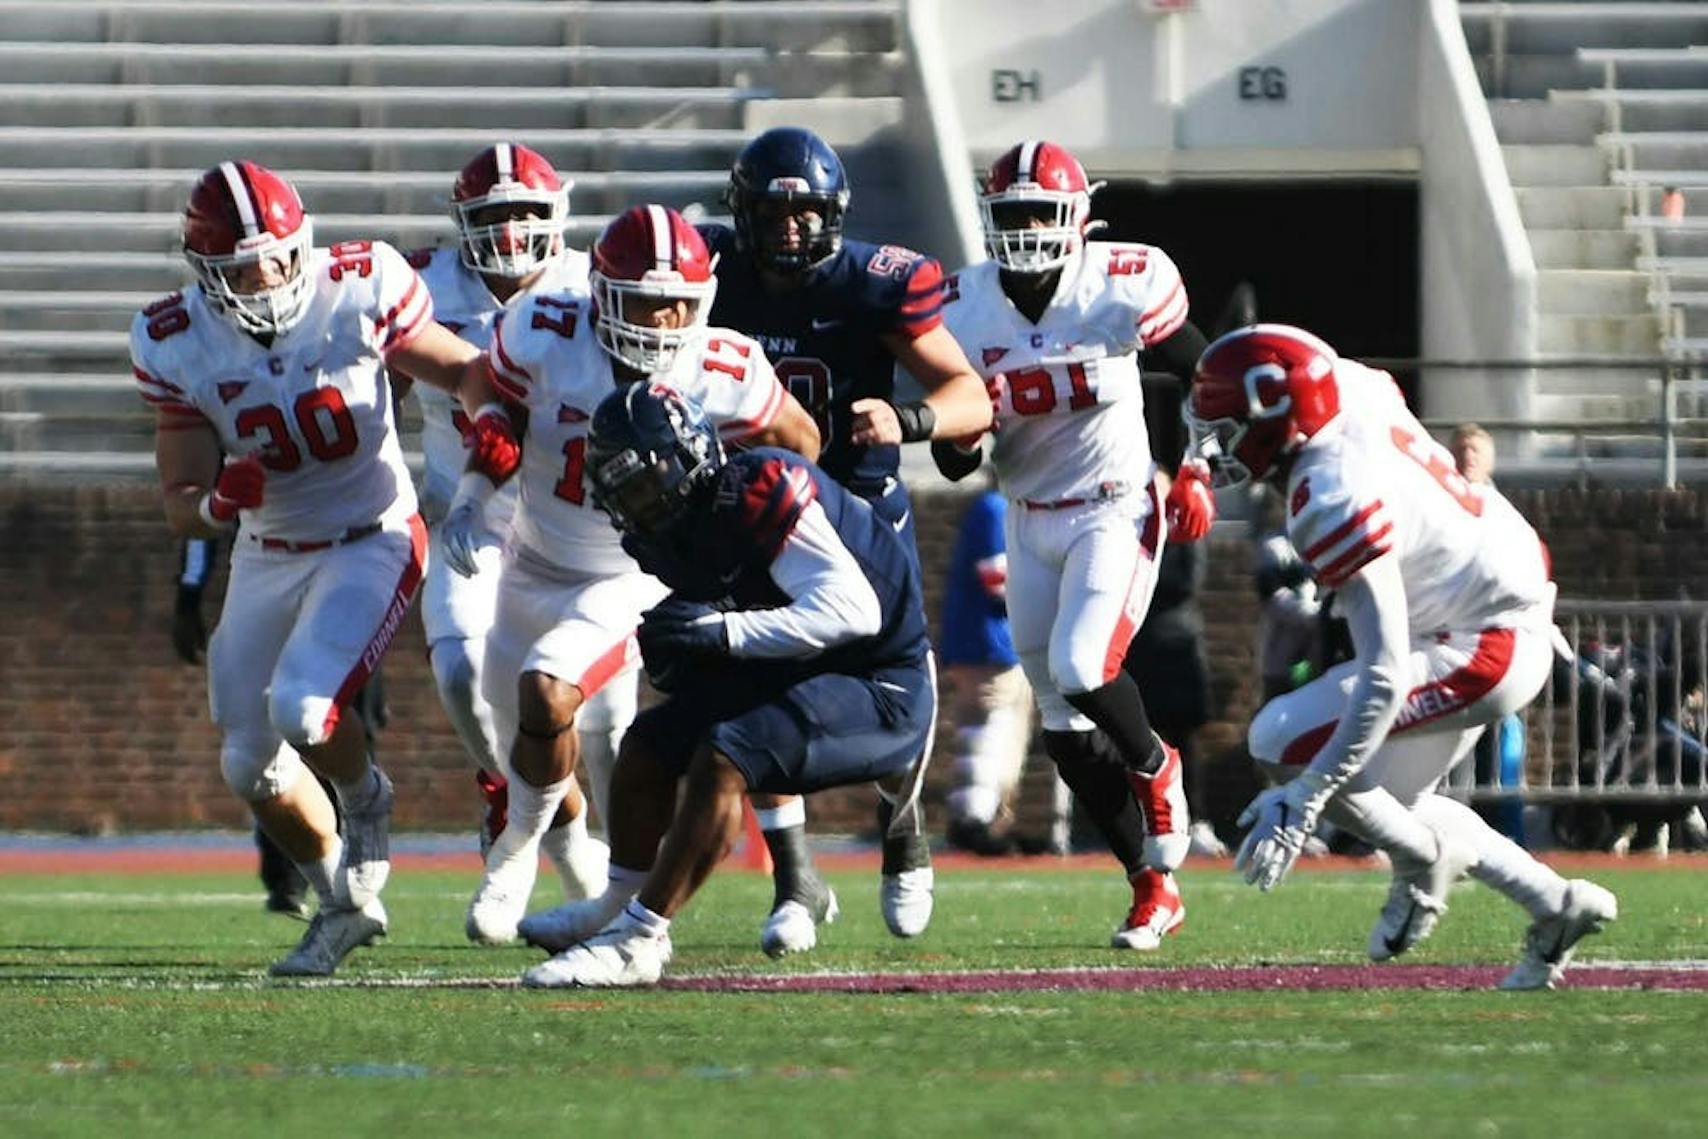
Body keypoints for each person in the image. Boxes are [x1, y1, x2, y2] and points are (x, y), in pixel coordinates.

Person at [133, 160, 484, 975]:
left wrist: (492, 432)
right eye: (243, 269)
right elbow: (180, 500)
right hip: (267, 551)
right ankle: (341, 905)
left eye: (279, 258)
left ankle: (366, 800)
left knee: (303, 706)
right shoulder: (175, 339)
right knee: (246, 761)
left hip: (371, 535)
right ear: (206, 273)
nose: (267, 280)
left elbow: (465, 370)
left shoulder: (360, 285)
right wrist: (216, 503)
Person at [1191, 323, 1617, 990]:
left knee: (1280, 739)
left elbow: (1384, 675)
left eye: (1227, 427)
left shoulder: (1329, 496)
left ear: (1276, 419)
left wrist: (1305, 797)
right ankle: (1556, 904)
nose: (1213, 446)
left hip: (1483, 639)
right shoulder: (1347, 388)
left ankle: (1422, 861)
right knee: (1392, 801)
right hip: (1486, 600)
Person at [442, 204, 820, 947]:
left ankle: (512, 855)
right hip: (531, 557)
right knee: (514, 727)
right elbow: (489, 396)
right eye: (645, 302)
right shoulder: (542, 328)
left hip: (634, 572)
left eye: (679, 302)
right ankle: (576, 868)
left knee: (548, 688)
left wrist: (737, 530)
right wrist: (473, 492)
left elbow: (798, 444)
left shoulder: (724, 367)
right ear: (601, 294)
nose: (665, 319)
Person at [515, 384, 936, 988]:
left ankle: (638, 939)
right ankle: (616, 905)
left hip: (880, 682)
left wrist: (720, 633)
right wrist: (691, 647)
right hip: (800, 668)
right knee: (649, 744)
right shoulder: (665, 535)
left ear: (689, 458)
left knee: (725, 755)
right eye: (624, 492)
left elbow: (851, 612)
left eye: (644, 485)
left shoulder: (758, 488)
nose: (638, 505)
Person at [699, 125, 993, 953]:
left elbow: (971, 395)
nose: (791, 228)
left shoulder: (872, 283)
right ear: (743, 213)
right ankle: (796, 876)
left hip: (857, 509)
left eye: (806, 213)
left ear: (835, 214)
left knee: (893, 680)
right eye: (774, 212)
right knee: (752, 683)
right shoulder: (710, 274)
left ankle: (902, 827)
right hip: (755, 510)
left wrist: (908, 419)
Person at [930, 139, 1214, 950]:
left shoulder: (1119, 282)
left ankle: (1156, 764)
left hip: (1115, 506)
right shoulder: (962, 306)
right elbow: (956, 459)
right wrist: (960, 432)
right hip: (1027, 514)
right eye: (1013, 214)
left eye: (1039, 213)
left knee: (1084, 667)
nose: (1026, 230)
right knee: (1059, 723)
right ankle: (1151, 887)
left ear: (1079, 218)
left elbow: (1208, 371)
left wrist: (1197, 466)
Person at [392, 143, 611, 907]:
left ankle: (616, 883)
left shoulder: (595, 283)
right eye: (495, 214)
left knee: (605, 724)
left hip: (574, 527)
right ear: (462, 221)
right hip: (469, 519)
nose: (512, 230)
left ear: (557, 215)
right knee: (460, 673)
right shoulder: (420, 286)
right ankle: (537, 809)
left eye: (525, 212)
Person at [938, 488, 1037, 855]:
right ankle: (973, 820)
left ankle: (989, 819)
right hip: (990, 643)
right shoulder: (995, 509)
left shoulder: (1002, 508)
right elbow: (997, 577)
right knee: (988, 730)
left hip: (998, 642)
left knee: (1002, 734)